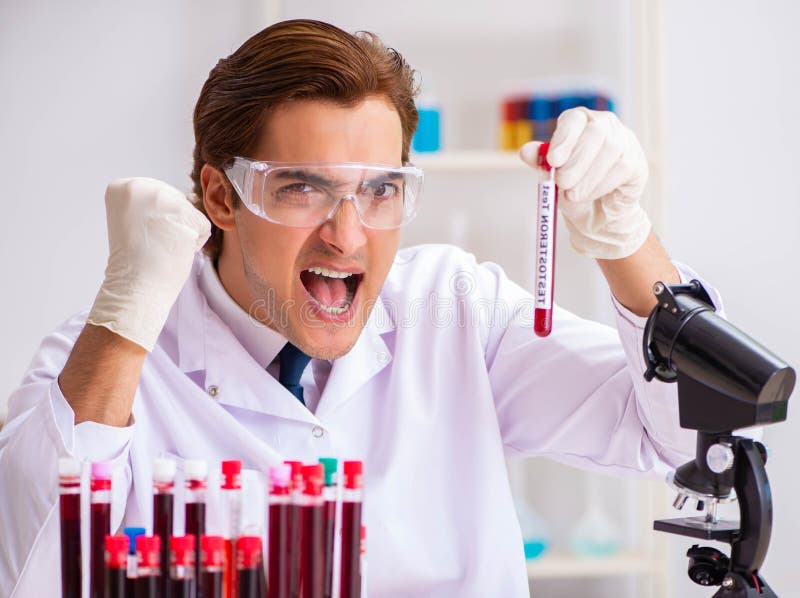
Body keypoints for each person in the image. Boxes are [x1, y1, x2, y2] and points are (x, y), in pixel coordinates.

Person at [0, 19, 721, 597]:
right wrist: (125, 318)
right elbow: (31, 566)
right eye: (301, 188)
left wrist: (627, 240)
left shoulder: (453, 310)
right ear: (222, 197)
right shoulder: (107, 364)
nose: (347, 235)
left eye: (380, 190)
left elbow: (689, 443)